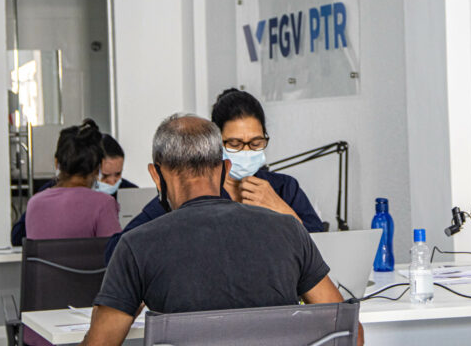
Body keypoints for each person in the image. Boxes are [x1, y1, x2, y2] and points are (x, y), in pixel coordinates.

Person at [82, 114, 362, 346]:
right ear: (226, 169)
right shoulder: (289, 230)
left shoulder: (136, 246)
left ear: (156, 175)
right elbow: (350, 335)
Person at [103, 88, 323, 262]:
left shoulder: (284, 189)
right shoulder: (191, 190)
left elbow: (322, 252)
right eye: (235, 144)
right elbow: (117, 250)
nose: (247, 151)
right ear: (216, 145)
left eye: (256, 143)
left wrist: (283, 212)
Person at [25, 119, 122, 346]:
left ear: (57, 163)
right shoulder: (103, 204)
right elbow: (117, 263)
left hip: (41, 328)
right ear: (97, 168)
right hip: (90, 329)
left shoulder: (34, 204)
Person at [10, 133, 136, 246]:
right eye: (105, 175)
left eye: (118, 174)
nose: (112, 181)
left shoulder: (130, 192)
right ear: (93, 169)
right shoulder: (50, 193)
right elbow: (18, 235)